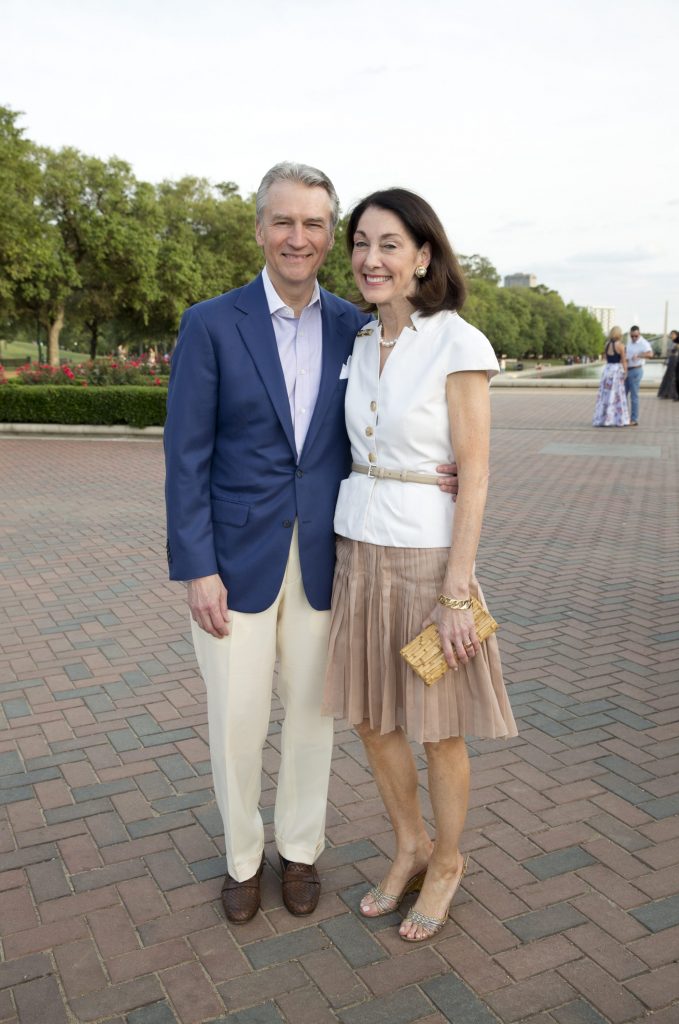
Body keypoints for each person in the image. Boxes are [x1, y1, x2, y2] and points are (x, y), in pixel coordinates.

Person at [164, 163, 458, 925]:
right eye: (284, 222)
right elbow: (185, 454)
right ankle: (240, 857)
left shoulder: (354, 325)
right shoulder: (210, 323)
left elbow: (393, 413)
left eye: (315, 224)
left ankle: (299, 853)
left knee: (310, 715)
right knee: (234, 717)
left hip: (330, 557)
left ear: (330, 236)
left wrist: (438, 471)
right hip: (232, 561)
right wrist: (196, 566)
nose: (300, 238)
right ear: (260, 229)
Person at [323, 188, 517, 943]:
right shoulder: (358, 340)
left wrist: (456, 589)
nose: (371, 259)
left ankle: (449, 861)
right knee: (372, 720)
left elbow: (474, 471)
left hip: (427, 561)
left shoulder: (457, 341)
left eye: (390, 244)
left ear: (423, 256)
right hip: (357, 553)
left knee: (438, 727)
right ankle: (409, 844)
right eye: (361, 243)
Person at [592, 326, 629, 426]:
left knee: (605, 395)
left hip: (607, 370)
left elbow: (606, 358)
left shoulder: (607, 344)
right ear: (619, 334)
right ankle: (617, 419)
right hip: (616, 370)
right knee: (617, 395)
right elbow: (624, 361)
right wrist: (626, 372)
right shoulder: (621, 346)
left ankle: (603, 418)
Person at [624, 325, 653, 425]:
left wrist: (639, 355)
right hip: (627, 370)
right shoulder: (629, 342)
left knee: (634, 396)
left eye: (636, 336)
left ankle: (634, 419)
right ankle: (624, 417)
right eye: (632, 336)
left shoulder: (643, 343)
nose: (634, 338)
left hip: (636, 370)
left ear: (639, 334)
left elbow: (650, 354)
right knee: (623, 394)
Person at [658, 330, 679, 400]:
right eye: (671, 334)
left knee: (673, 377)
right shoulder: (671, 343)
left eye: (673, 334)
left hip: (675, 360)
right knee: (667, 377)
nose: (671, 335)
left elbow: (677, 350)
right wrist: (665, 361)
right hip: (671, 361)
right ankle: (666, 393)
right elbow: (668, 354)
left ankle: (675, 394)